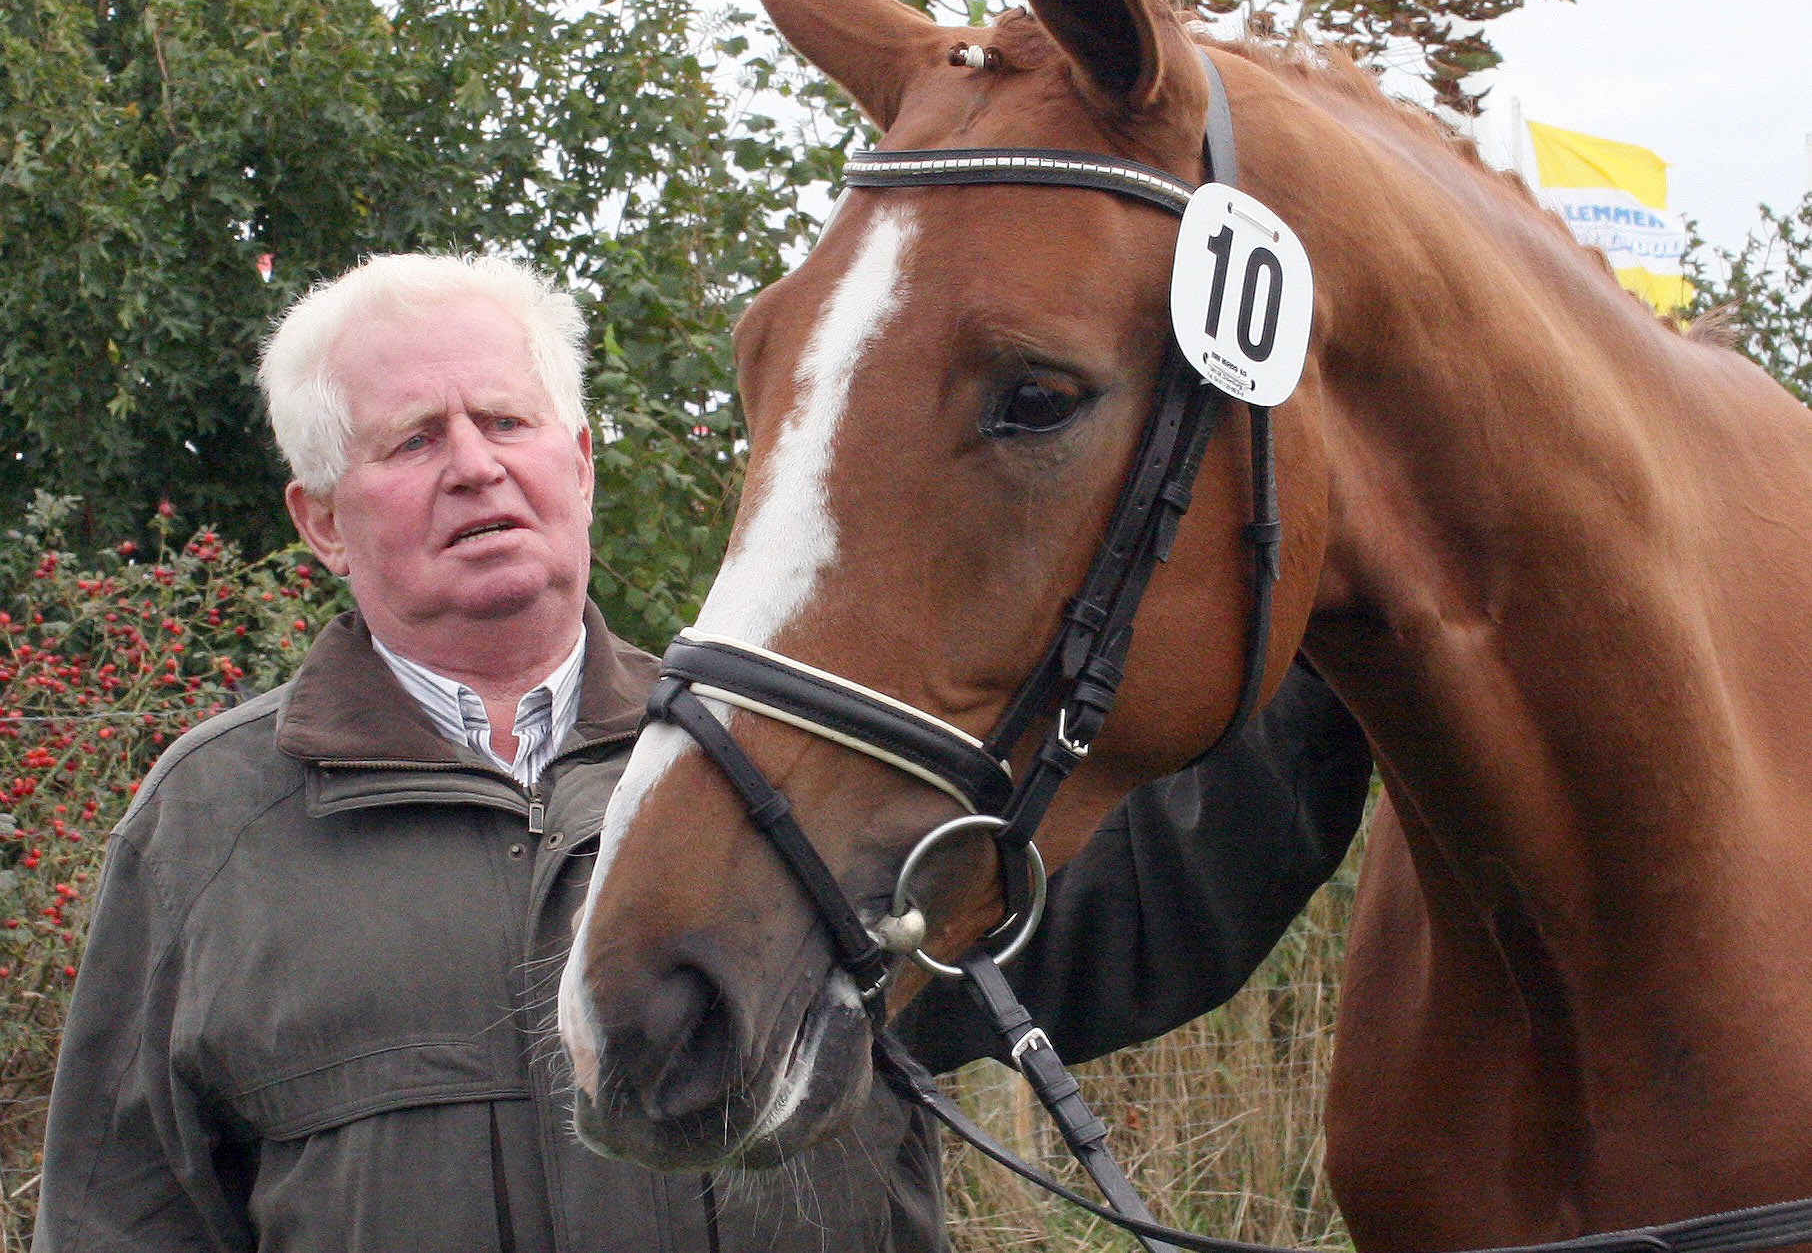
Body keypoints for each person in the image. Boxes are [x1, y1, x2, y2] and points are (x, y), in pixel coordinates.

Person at [33, 253, 1370, 1252]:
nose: (475, 468)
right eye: (412, 440)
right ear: (321, 521)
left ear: (580, 460)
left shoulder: (794, 765)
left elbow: (1131, 915)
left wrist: (1350, 654)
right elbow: (123, 1213)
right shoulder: (210, 826)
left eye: (504, 423)